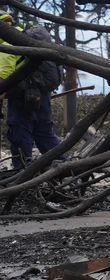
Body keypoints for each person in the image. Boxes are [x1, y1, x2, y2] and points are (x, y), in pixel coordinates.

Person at [0, 14, 65, 169]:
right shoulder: (24, 38)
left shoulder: (7, 44)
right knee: (44, 134)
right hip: (41, 95)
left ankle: (21, 176)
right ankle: (66, 166)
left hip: (22, 99)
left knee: (19, 134)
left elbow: (2, 79)